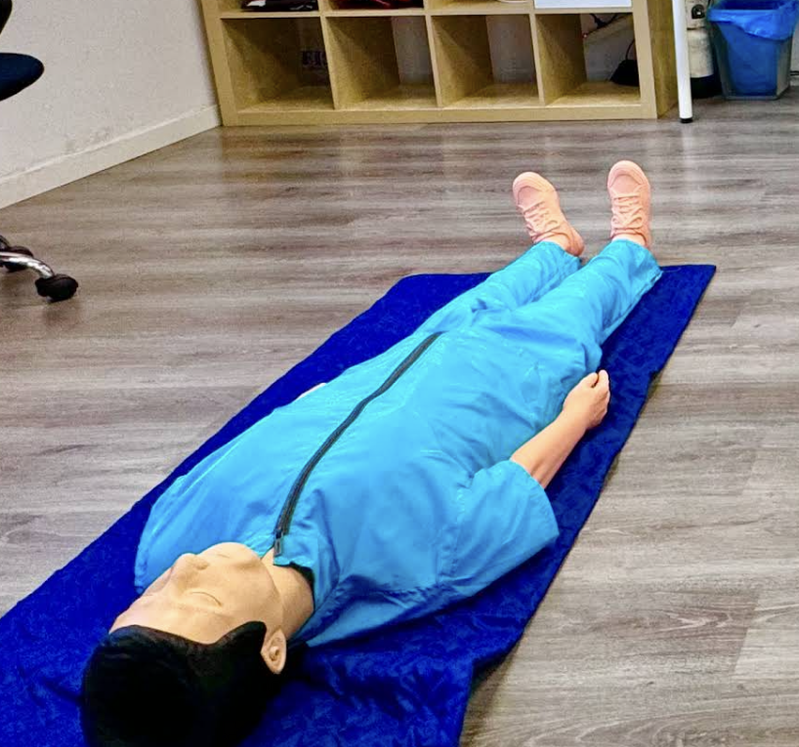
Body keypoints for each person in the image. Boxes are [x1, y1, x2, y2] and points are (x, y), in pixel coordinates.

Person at [79, 162, 664, 747]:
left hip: (398, 364)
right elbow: (515, 485)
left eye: (154, 595)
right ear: (272, 649)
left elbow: (238, 449)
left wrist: (306, 406)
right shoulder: (409, 571)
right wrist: (573, 420)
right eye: (202, 597)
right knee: (576, 309)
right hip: (511, 380)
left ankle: (556, 245)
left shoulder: (165, 539)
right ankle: (630, 244)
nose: (184, 567)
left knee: (490, 295)